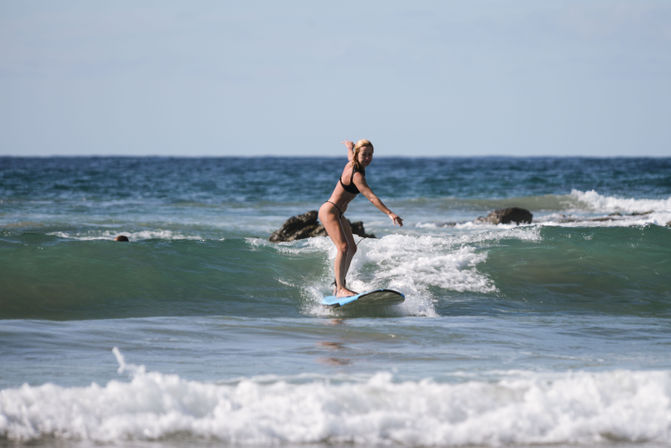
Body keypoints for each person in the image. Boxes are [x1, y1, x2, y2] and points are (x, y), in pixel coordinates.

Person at [318, 139, 403, 297]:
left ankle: (338, 284)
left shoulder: (353, 162)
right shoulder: (356, 175)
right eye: (364, 154)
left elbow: (350, 155)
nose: (368, 158)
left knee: (352, 248)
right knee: (343, 248)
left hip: (338, 213)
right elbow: (371, 197)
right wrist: (389, 213)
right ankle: (340, 288)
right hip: (330, 211)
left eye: (371, 154)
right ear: (358, 154)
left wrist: (349, 147)